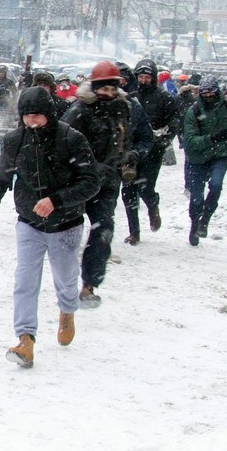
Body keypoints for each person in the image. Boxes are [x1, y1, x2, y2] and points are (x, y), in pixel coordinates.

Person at [0, 87, 102, 368]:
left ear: (49, 115)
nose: (32, 122)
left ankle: (67, 311)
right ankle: (25, 340)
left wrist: (56, 200)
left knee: (66, 276)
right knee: (25, 281)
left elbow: (91, 182)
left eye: (37, 117)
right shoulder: (15, 140)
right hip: (29, 223)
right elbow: (1, 176)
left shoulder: (71, 139)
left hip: (66, 224)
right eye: (27, 117)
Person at [62, 61, 152, 307]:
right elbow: (62, 145)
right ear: (95, 88)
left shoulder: (125, 108)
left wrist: (131, 154)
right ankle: (65, 279)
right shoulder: (79, 111)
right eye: (104, 89)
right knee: (69, 234)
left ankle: (90, 284)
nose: (108, 95)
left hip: (108, 182)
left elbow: (136, 138)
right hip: (77, 182)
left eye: (113, 89)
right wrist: (88, 165)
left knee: (103, 231)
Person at [123, 59, 178, 244]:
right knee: (128, 191)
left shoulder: (164, 97)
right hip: (132, 150)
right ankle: (134, 232)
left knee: (145, 188)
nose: (144, 80)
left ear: (153, 78)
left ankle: (152, 205)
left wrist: (163, 139)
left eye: (147, 77)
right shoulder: (131, 97)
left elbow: (174, 122)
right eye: (141, 76)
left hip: (153, 151)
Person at [181, 76, 227, 245]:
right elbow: (189, 140)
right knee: (196, 197)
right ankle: (195, 223)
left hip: (220, 154)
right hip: (198, 158)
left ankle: (206, 218)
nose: (209, 97)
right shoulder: (194, 111)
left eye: (212, 94)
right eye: (205, 94)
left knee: (216, 185)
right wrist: (211, 138)